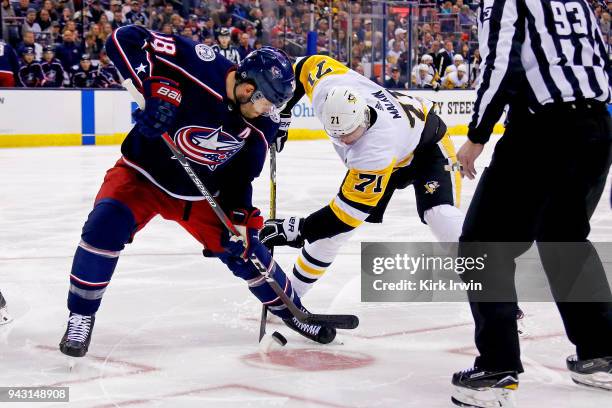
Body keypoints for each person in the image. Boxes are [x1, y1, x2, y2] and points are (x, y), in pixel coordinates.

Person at [58, 25, 335, 360]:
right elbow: (124, 38)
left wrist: (239, 219)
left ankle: (293, 311)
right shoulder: (198, 62)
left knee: (244, 249)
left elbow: (240, 178)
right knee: (104, 226)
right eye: (265, 103)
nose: (268, 112)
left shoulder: (262, 124)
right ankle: (81, 315)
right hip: (141, 176)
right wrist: (154, 90)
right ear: (248, 88)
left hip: (200, 195)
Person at [452, 0, 612, 406]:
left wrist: (477, 134)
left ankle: (497, 368)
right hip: (597, 126)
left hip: (544, 129)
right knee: (565, 239)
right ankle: (601, 353)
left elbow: (501, 63)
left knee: (481, 244)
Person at [259, 55, 464, 298]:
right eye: (337, 135)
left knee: (439, 214)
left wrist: (299, 229)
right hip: (399, 144)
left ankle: (496, 287)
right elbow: (304, 66)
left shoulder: (375, 148)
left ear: (363, 118)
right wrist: (282, 112)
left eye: (349, 134)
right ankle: (291, 295)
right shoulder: (328, 89)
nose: (344, 141)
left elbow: (347, 215)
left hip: (428, 147)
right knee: (332, 235)